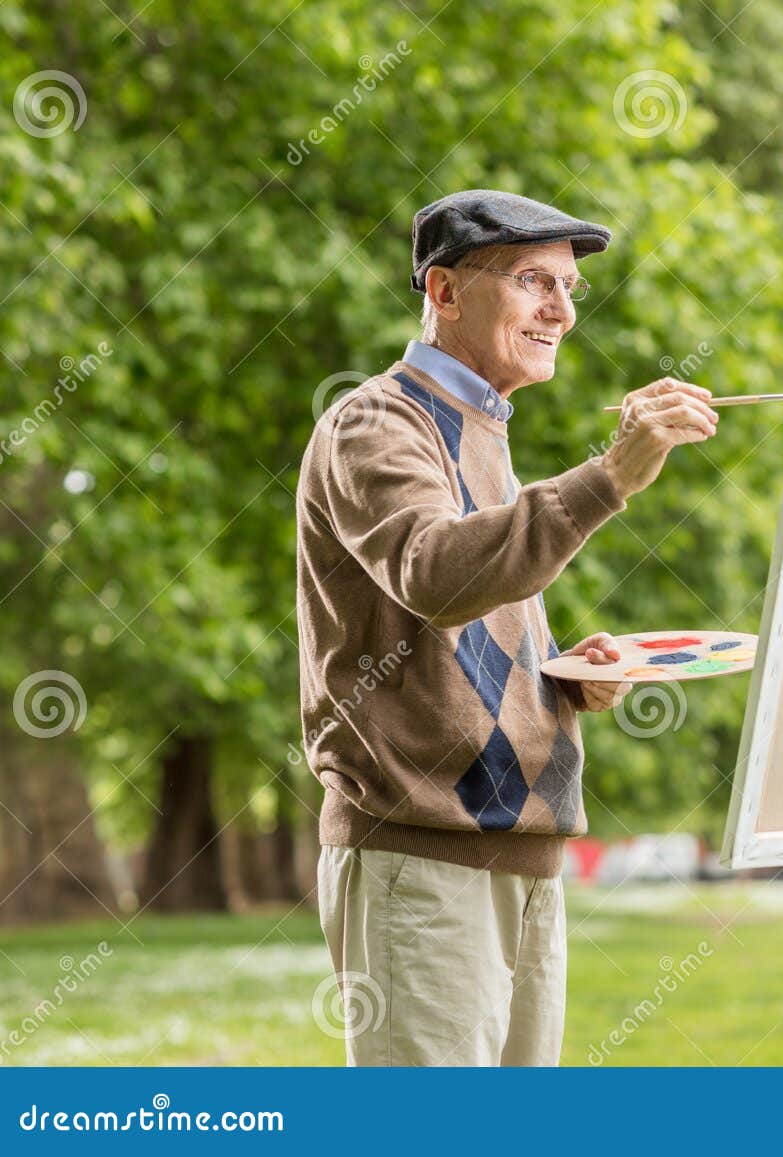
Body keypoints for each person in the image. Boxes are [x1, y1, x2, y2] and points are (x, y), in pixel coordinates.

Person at [295, 189, 718, 1065]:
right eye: (534, 281)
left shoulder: (483, 426)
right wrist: (609, 478)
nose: (561, 310)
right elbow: (437, 574)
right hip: (423, 860)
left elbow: (465, 618)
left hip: (520, 860)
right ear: (445, 292)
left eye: (569, 288)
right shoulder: (376, 421)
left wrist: (561, 675)